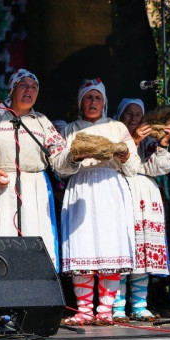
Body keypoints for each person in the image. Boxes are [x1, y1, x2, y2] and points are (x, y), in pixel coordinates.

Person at [60, 79, 140, 325]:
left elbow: (133, 167)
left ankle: (105, 311)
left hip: (110, 188)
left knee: (109, 247)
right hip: (81, 188)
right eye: (88, 97)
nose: (93, 102)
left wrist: (124, 154)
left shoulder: (117, 127)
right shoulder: (70, 129)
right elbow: (60, 168)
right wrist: (75, 157)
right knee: (82, 246)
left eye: (97, 97)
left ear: (104, 102)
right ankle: (84, 310)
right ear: (80, 101)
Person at [0, 69, 76, 268]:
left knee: (33, 244)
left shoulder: (42, 122)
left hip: (34, 189)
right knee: (1, 245)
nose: (29, 90)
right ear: (12, 89)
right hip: (0, 188)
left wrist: (74, 157)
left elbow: (59, 159)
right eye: (23, 85)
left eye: (34, 87)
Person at [112, 98, 170, 322]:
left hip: (145, 196)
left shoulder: (150, 141)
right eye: (128, 113)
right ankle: (117, 307)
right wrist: (134, 140)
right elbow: (116, 164)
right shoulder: (114, 137)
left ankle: (139, 305)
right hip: (120, 190)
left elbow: (160, 167)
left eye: (138, 114)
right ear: (120, 116)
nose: (133, 118)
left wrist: (164, 142)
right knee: (122, 250)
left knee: (142, 252)